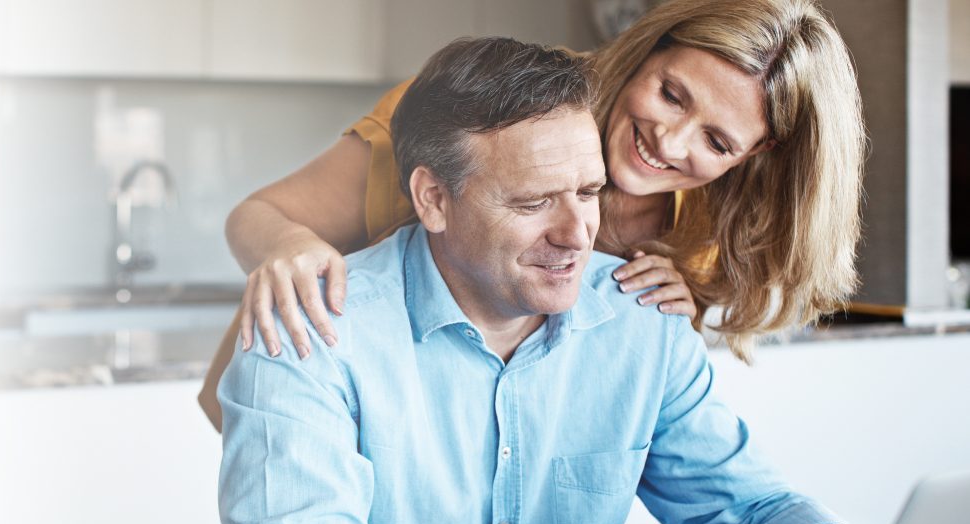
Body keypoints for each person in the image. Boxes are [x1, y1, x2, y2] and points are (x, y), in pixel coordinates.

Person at [217, 37, 879, 524]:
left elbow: (748, 520)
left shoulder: (645, 321)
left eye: (590, 193)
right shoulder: (307, 328)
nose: (576, 236)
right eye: (533, 203)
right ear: (433, 198)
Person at [198, 0, 865, 431]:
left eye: (717, 143)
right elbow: (258, 214)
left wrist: (675, 308)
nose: (671, 141)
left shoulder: (705, 233)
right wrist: (286, 242)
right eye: (670, 94)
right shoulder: (475, 118)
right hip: (315, 421)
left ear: (758, 154)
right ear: (648, 49)